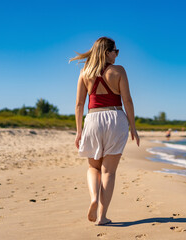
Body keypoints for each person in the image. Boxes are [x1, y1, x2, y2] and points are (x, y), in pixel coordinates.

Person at [69, 37, 140, 225]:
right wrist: (133, 127)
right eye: (115, 51)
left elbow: (79, 104)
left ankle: (93, 198)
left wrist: (78, 131)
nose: (116, 55)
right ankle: (102, 216)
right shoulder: (119, 71)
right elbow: (128, 101)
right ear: (107, 52)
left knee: (93, 167)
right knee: (109, 171)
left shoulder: (85, 71)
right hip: (116, 118)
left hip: (93, 118)